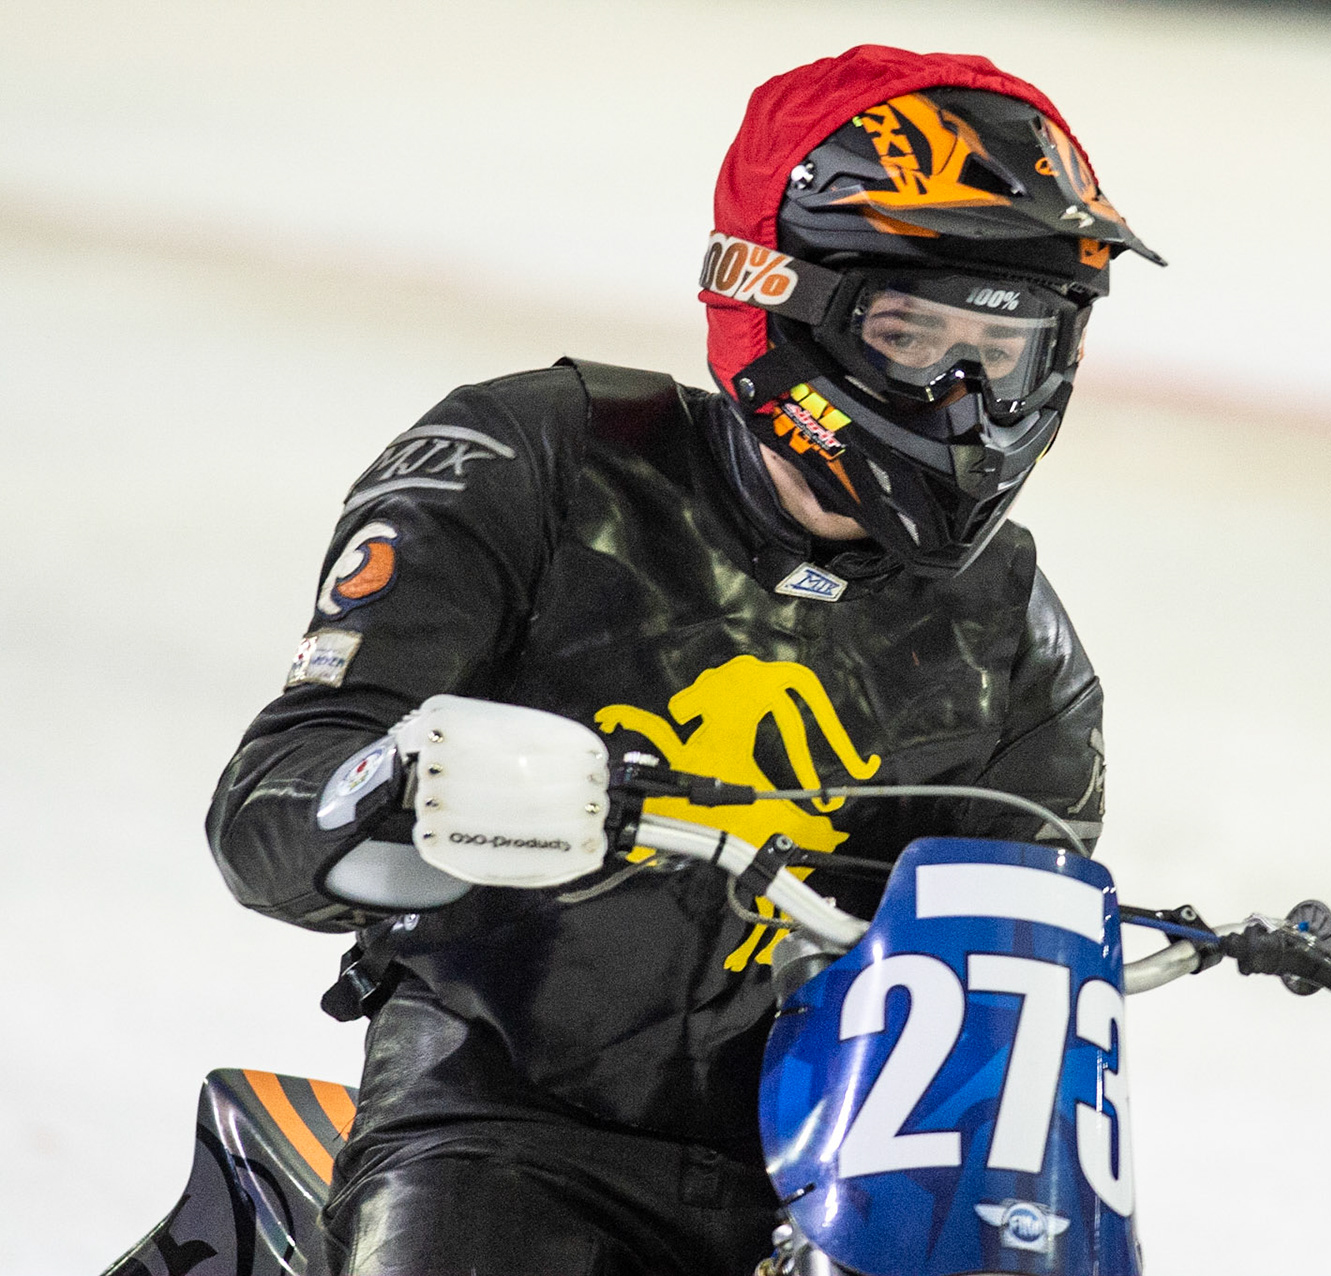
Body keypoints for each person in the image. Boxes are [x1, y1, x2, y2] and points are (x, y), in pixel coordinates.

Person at [205, 43, 1160, 1276]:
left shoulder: (1018, 637)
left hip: (834, 1194)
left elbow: (1000, 1002)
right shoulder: (535, 461)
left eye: (1006, 346)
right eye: (916, 334)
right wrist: (402, 778)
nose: (968, 394)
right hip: (502, 1135)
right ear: (787, 300)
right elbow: (265, 817)